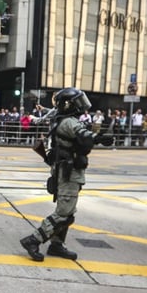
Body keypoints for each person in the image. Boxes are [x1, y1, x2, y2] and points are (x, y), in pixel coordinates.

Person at [20, 88, 113, 262]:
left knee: (67, 212)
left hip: (68, 171)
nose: (81, 105)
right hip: (68, 173)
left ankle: (56, 244)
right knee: (64, 213)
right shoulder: (69, 122)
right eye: (77, 102)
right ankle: (33, 240)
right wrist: (99, 138)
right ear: (69, 104)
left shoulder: (64, 119)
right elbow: (85, 138)